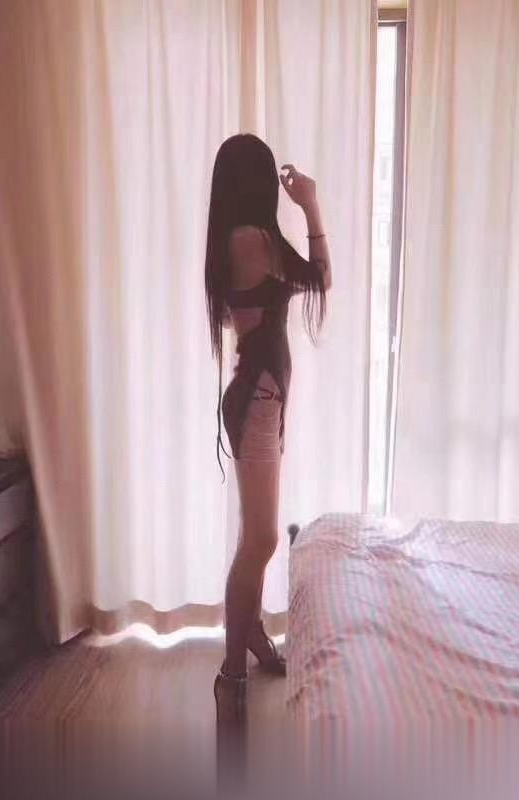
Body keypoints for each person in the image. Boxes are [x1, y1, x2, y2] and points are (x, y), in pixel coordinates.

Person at [204, 133, 331, 719]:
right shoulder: (251, 240)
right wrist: (310, 204)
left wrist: (307, 204)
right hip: (257, 399)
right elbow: (319, 277)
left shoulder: (242, 237)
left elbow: (313, 281)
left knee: (253, 534)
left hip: (260, 397)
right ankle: (231, 670)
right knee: (262, 538)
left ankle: (250, 633)